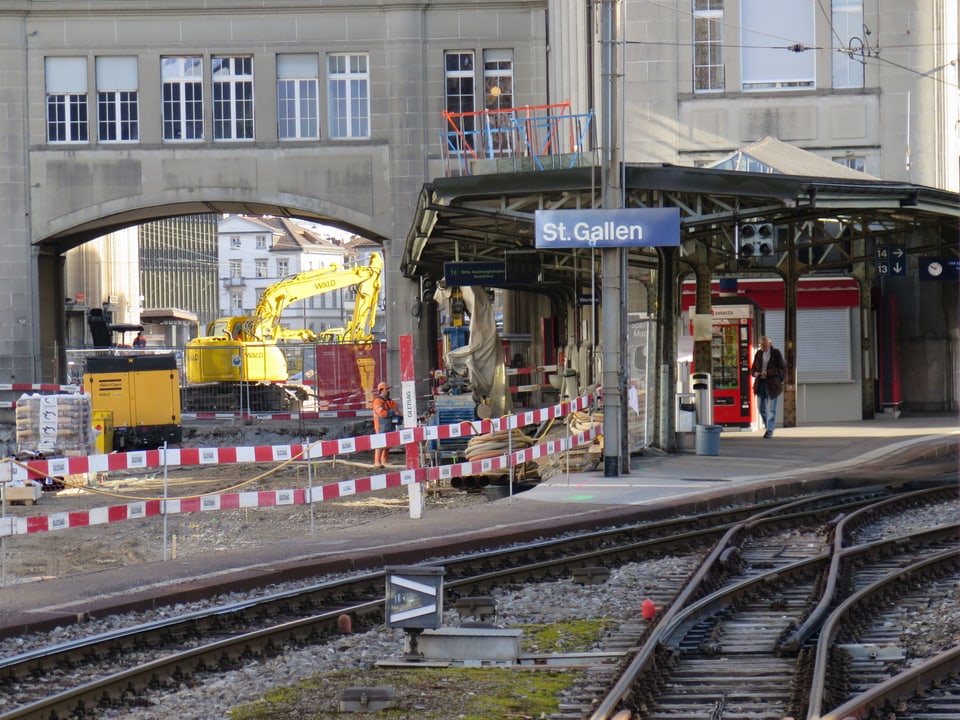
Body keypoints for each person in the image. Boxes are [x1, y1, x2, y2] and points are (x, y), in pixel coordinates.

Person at [751, 335, 786, 438]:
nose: (763, 347)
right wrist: (755, 373)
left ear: (770, 344)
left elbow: (782, 369)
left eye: (765, 345)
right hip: (760, 383)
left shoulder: (776, 353)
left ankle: (769, 430)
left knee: (771, 409)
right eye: (761, 345)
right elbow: (752, 369)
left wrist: (768, 373)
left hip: (772, 384)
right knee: (761, 408)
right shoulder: (758, 354)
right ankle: (768, 425)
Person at [371, 382, 399, 468]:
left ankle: (384, 461)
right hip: (380, 424)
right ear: (381, 390)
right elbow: (381, 412)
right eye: (386, 389)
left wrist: (396, 412)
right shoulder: (377, 401)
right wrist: (393, 412)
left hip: (388, 424)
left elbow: (396, 409)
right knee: (380, 442)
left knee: (388, 443)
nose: (388, 391)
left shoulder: (389, 401)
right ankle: (377, 462)